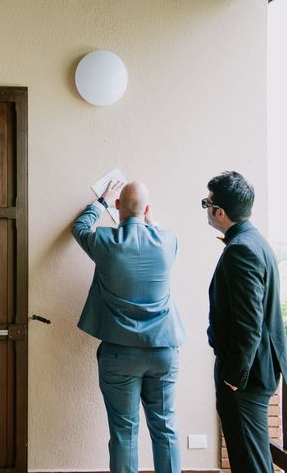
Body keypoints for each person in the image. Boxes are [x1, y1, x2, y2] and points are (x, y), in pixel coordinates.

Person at [71, 180, 186, 473]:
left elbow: (80, 228)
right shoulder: (168, 241)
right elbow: (156, 228)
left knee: (124, 432)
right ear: (147, 209)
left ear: (118, 206)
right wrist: (147, 217)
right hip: (163, 352)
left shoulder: (105, 242)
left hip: (119, 355)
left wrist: (102, 202)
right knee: (165, 430)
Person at [204, 171, 287, 472]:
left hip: (246, 378)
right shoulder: (255, 241)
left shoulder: (241, 250)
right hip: (255, 372)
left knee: (248, 463)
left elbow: (249, 323)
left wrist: (232, 378)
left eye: (207, 203)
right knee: (254, 458)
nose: (207, 210)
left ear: (220, 212)